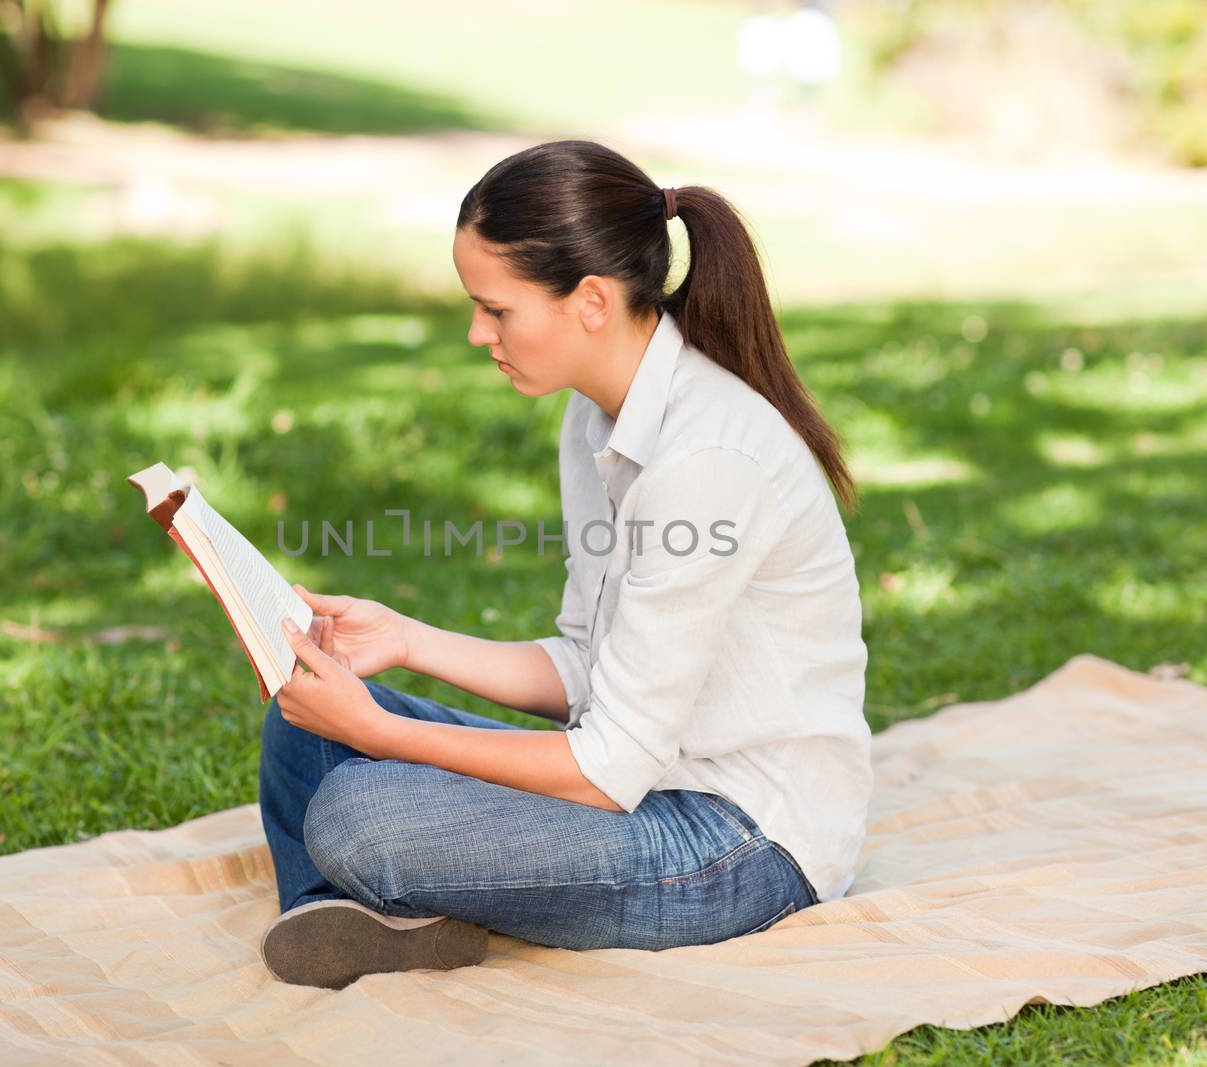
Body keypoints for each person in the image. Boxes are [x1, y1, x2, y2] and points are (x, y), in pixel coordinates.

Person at [257, 139, 871, 990]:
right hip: (642, 782)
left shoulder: (708, 458)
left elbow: (608, 766)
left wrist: (382, 732)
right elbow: (586, 665)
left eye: (496, 310)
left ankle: (370, 888)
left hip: (741, 845)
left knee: (359, 809)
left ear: (590, 301)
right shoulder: (594, 422)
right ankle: (359, 916)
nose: (478, 333)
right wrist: (402, 639)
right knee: (303, 725)